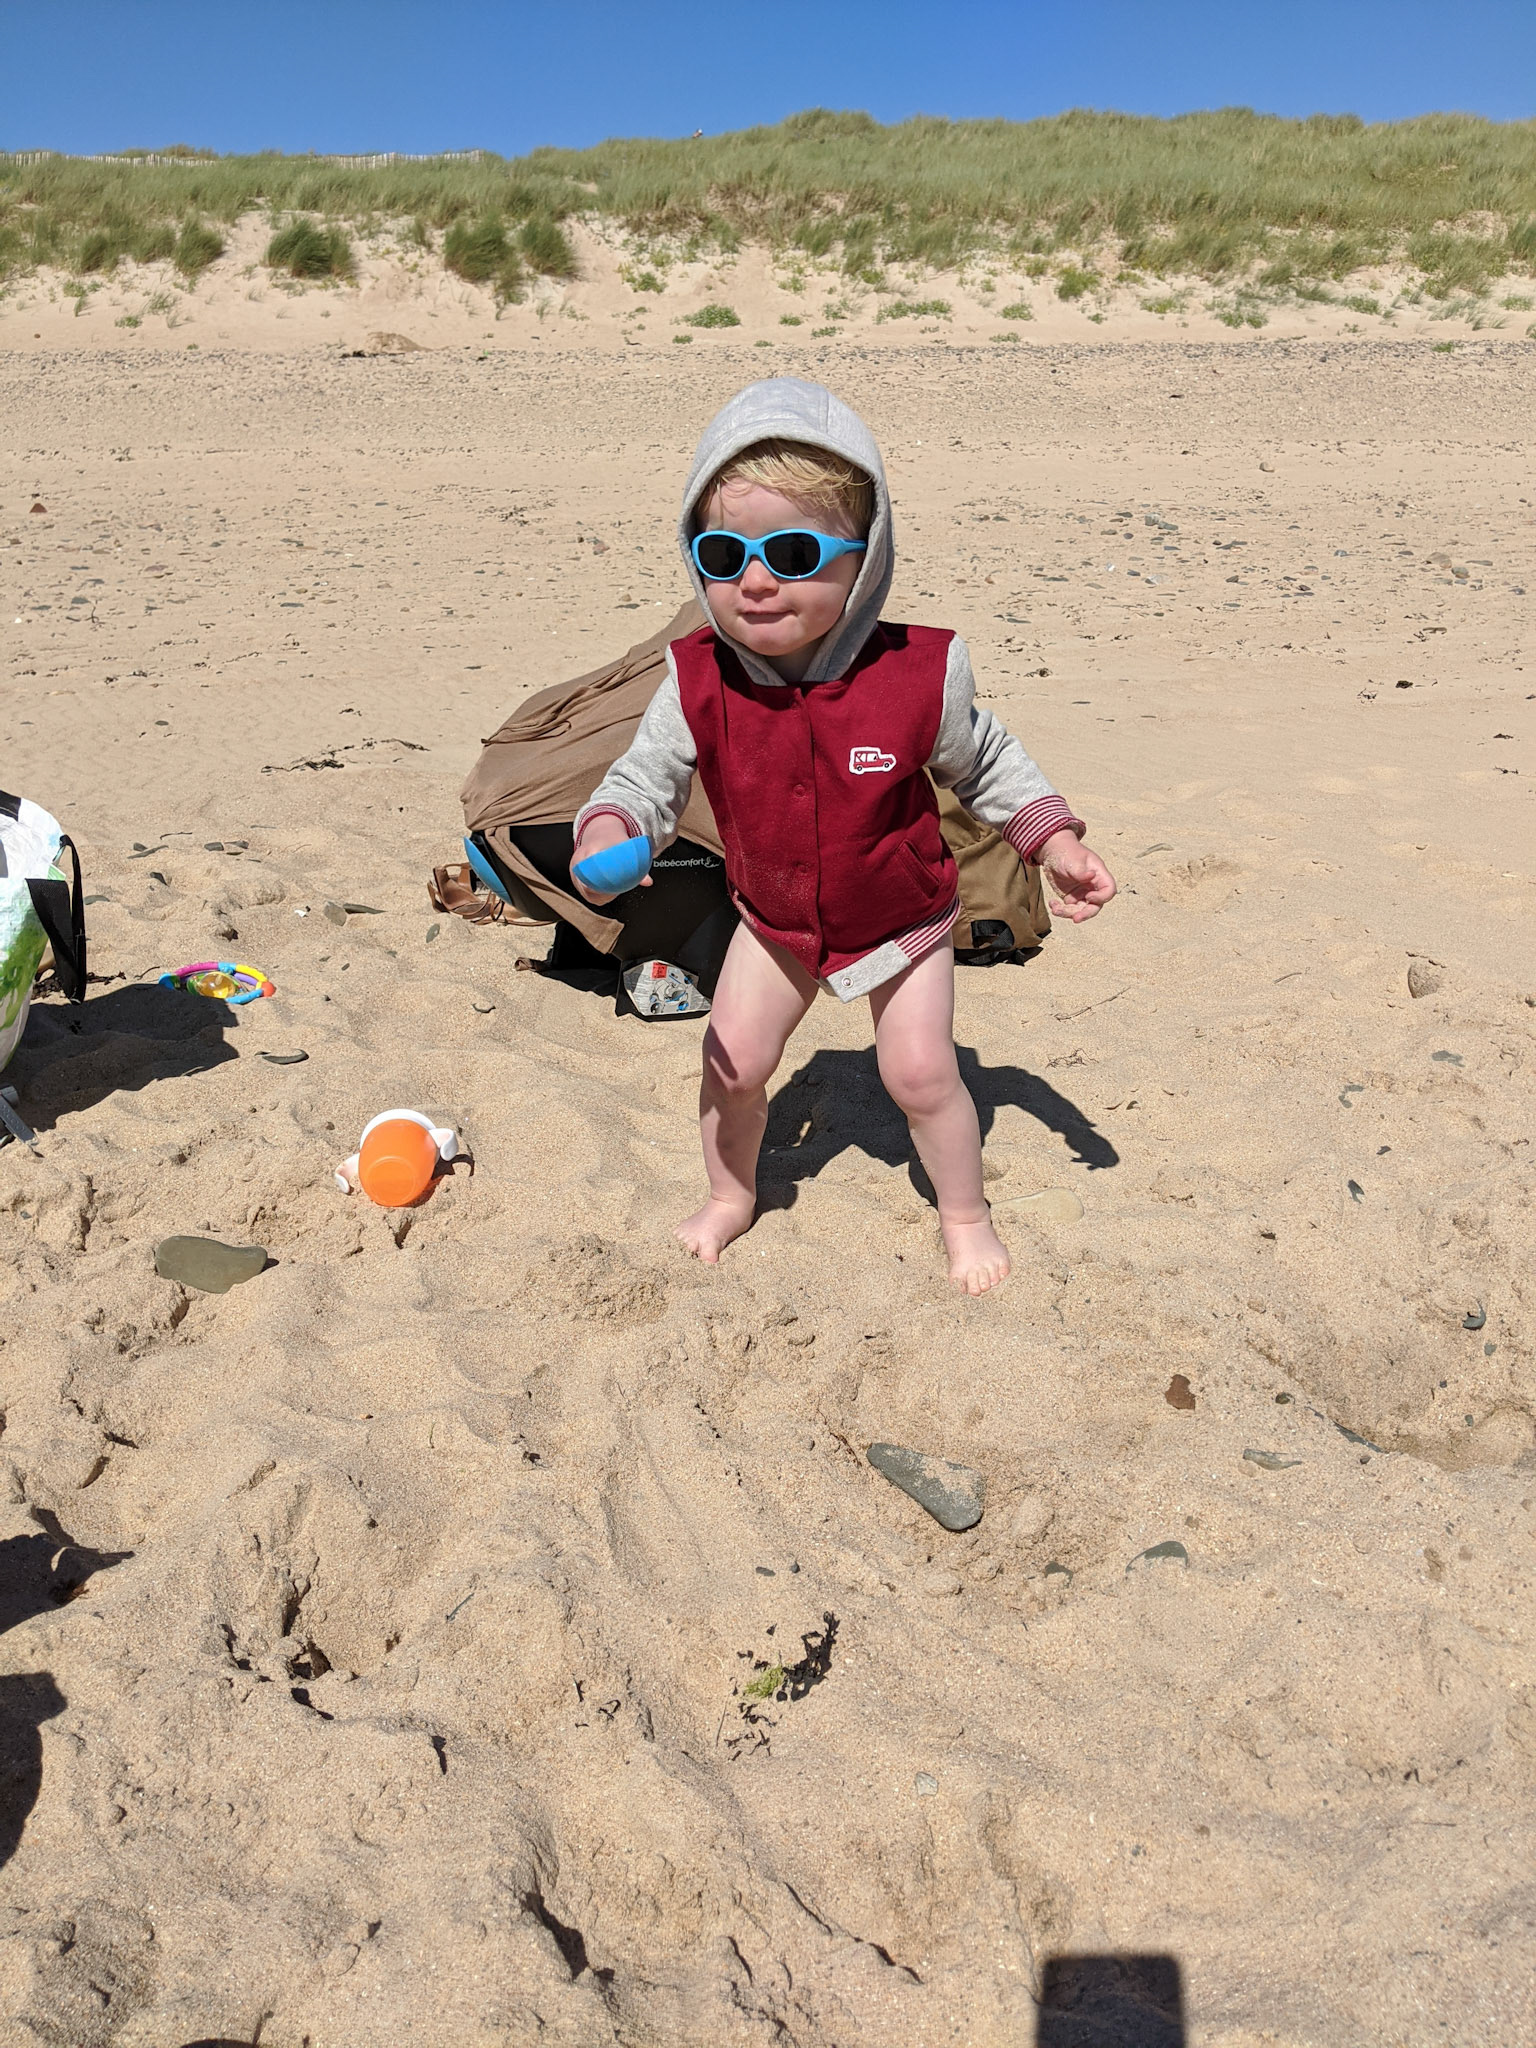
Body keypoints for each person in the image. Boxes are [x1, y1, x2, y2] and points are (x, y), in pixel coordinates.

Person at [570, 380, 1115, 1294]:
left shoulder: (917, 674)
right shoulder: (696, 679)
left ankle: (965, 1214)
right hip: (774, 918)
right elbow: (644, 781)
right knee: (733, 1065)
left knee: (920, 1075)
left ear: (864, 562)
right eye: (723, 554)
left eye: (792, 554)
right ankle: (729, 1193)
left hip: (900, 918)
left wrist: (1054, 842)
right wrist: (608, 831)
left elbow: (985, 763)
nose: (754, 581)